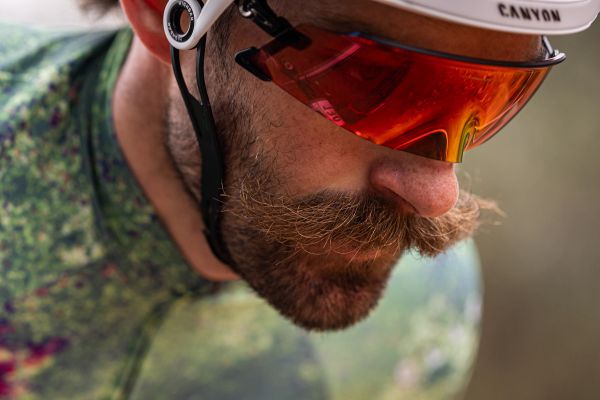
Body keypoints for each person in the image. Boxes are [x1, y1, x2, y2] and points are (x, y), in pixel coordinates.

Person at [0, 0, 597, 398]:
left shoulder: (427, 309)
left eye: (493, 99)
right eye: (367, 82)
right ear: (163, 14)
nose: (437, 194)